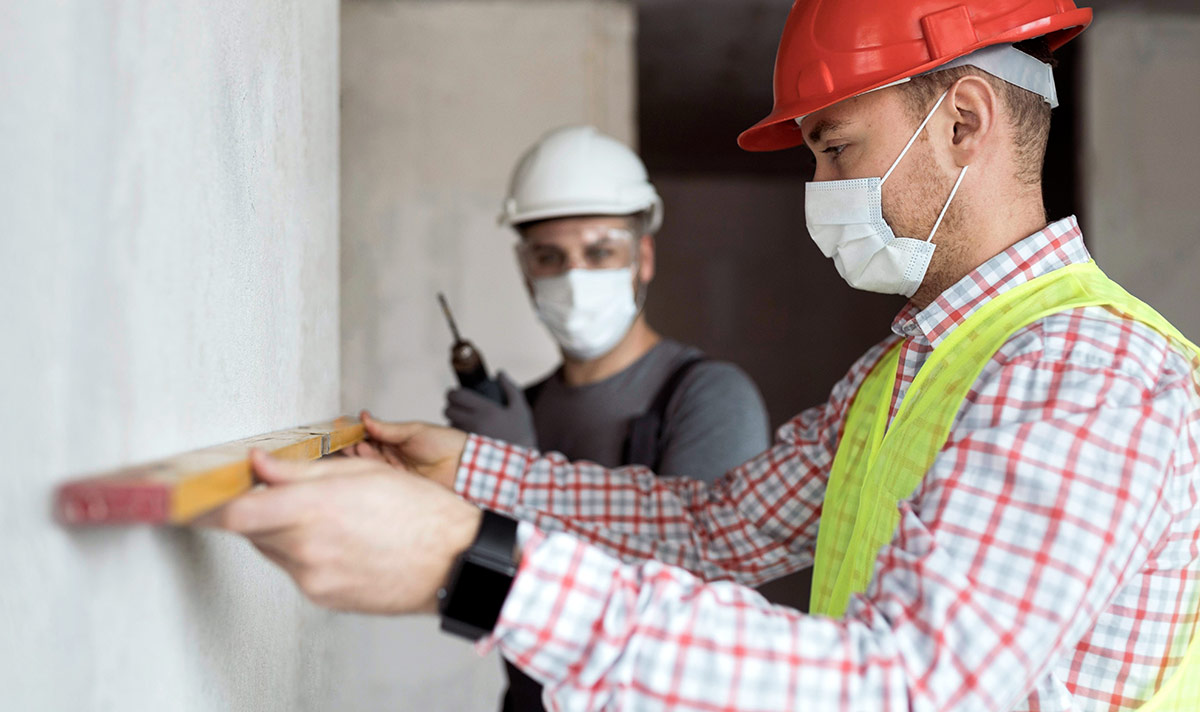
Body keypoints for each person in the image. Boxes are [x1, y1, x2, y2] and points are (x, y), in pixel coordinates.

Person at [201, 1, 1200, 709]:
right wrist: (468, 469)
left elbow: (909, 688)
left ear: (965, 121)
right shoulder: (913, 366)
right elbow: (717, 526)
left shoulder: (1083, 374)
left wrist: (472, 565)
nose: (818, 187)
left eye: (837, 146)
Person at [445, 124, 771, 711]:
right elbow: (478, 610)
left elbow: (688, 619)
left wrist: (515, 476)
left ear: (641, 257)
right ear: (525, 271)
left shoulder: (706, 398)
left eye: (600, 252)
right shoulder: (522, 410)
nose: (574, 278)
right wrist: (457, 493)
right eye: (550, 257)